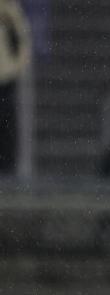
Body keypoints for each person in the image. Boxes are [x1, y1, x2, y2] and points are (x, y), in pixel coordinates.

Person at [0, 0, 30, 174]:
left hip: (6, 80)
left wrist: (16, 68)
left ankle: (7, 173)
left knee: (6, 130)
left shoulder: (10, 10)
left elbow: (22, 41)